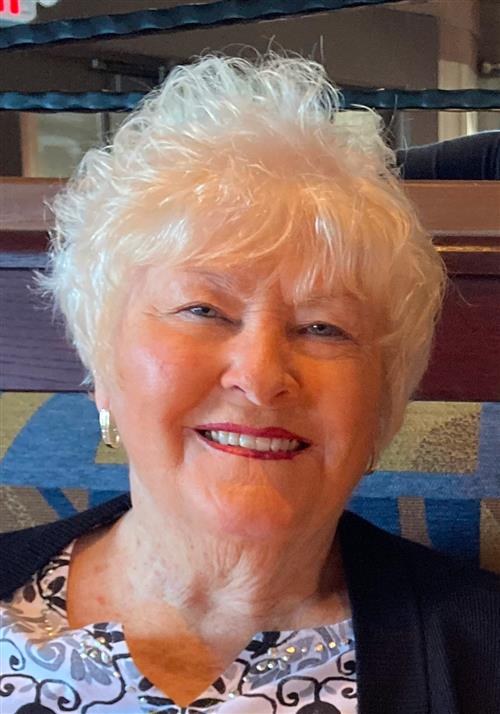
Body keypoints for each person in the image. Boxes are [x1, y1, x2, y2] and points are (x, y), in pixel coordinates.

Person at [0, 52, 498, 714]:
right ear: (104, 369)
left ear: (382, 406)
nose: (261, 376)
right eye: (203, 310)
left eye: (323, 328)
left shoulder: (484, 656)